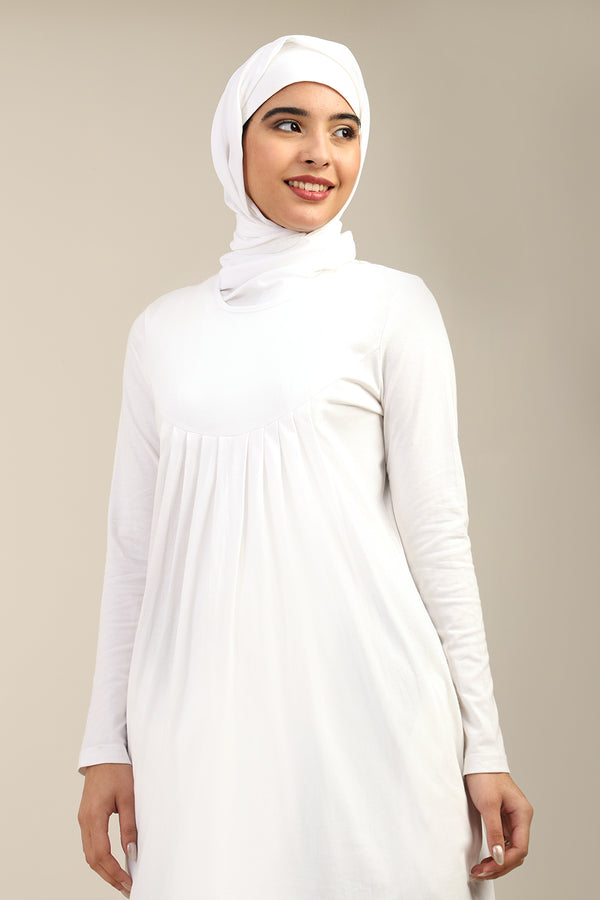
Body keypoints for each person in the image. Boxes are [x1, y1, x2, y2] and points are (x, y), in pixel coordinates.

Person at [77, 34, 533, 900]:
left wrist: (485, 747)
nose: (320, 152)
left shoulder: (393, 307)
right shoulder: (162, 332)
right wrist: (105, 744)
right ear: (235, 139)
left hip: (373, 718)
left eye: (344, 130)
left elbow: (439, 536)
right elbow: (132, 549)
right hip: (198, 732)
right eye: (289, 123)